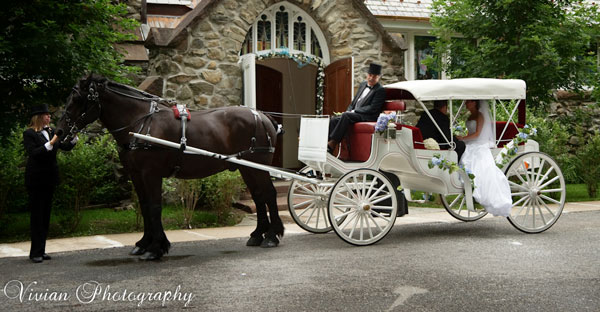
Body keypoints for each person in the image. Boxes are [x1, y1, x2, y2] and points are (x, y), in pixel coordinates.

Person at [23, 104, 77, 263]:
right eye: (46, 115)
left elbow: (64, 147)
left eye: (49, 115)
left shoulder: (52, 131)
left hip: (50, 179)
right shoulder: (29, 133)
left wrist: (74, 138)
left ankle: (42, 250)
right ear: (39, 117)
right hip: (36, 180)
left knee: (45, 215)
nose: (49, 117)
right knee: (37, 216)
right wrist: (51, 142)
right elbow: (34, 153)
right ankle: (35, 253)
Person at [456, 100, 512, 216]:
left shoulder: (480, 116)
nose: (466, 103)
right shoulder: (470, 115)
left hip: (479, 144)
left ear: (475, 103)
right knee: (464, 152)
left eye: (469, 102)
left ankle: (482, 190)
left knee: (472, 158)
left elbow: (477, 134)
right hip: (471, 143)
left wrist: (463, 138)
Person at [327, 63, 386, 153]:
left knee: (346, 116)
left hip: (368, 116)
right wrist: (349, 110)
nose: (371, 78)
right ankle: (327, 144)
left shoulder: (380, 90)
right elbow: (354, 102)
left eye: (374, 77)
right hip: (356, 113)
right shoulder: (362, 85)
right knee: (334, 119)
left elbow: (373, 108)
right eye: (370, 75)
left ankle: (333, 143)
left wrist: (354, 111)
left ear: (378, 77)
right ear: (367, 75)